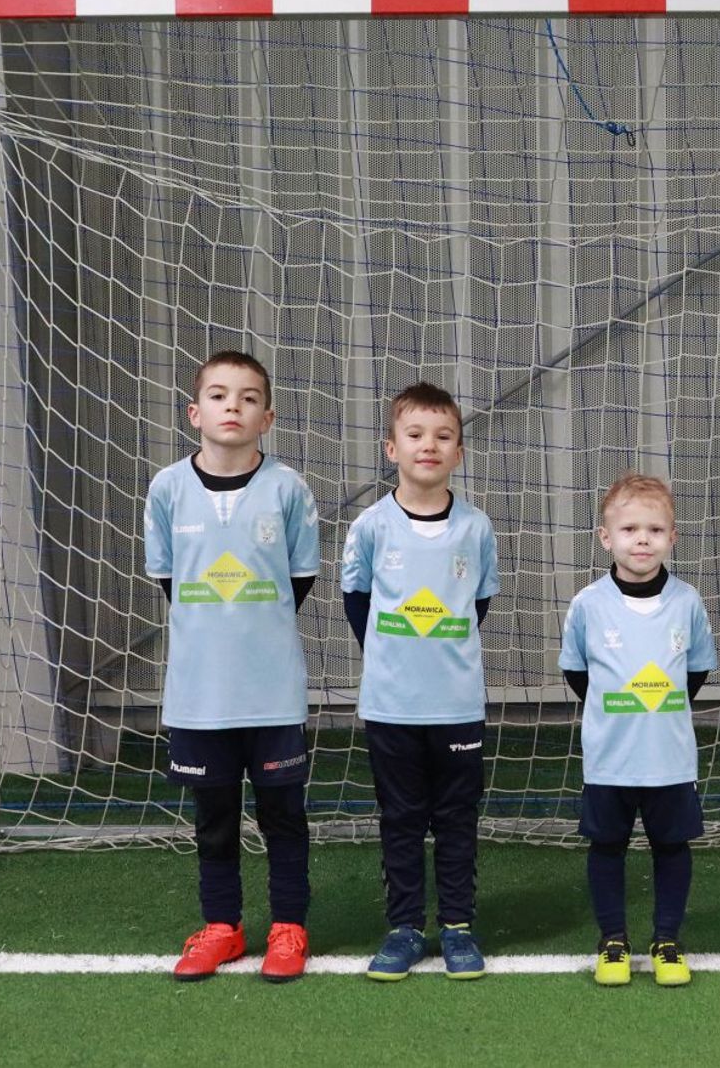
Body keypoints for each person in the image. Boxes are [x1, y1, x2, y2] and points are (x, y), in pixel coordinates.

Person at [143, 349, 320, 982]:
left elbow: (298, 580)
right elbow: (169, 579)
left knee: (283, 818)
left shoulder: (288, 489)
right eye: (218, 396)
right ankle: (223, 926)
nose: (232, 407)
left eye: (248, 398)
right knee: (213, 821)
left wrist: (252, 629)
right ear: (194, 412)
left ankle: (289, 928)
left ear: (266, 417)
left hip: (271, 693)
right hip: (200, 696)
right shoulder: (167, 489)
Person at [340, 383, 500, 981]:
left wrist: (439, 655)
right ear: (392, 448)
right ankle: (404, 927)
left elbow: (477, 605)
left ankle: (457, 925)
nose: (428, 445)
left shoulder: (475, 528)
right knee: (401, 818)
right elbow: (357, 601)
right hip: (392, 705)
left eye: (443, 436)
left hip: (457, 705)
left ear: (459, 451)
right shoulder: (371, 526)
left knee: (456, 818)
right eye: (414, 435)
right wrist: (394, 657)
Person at [559, 474, 718, 988]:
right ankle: (613, 940)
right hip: (610, 760)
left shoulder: (687, 602)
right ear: (606, 538)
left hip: (669, 760)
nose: (642, 540)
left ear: (673, 537)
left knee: (672, 847)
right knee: (607, 847)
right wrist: (620, 713)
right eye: (629, 529)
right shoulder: (588, 604)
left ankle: (667, 939)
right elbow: (578, 674)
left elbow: (695, 672)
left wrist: (656, 711)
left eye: (654, 529)